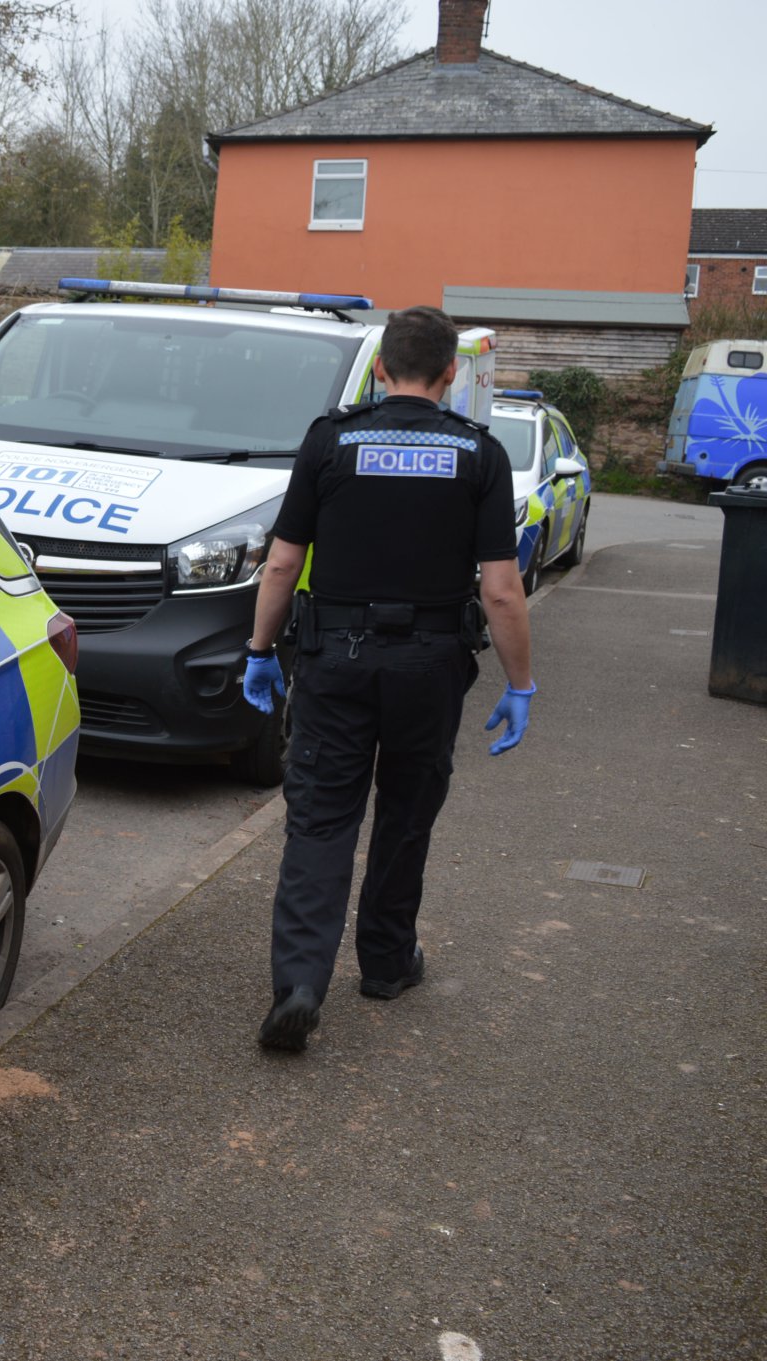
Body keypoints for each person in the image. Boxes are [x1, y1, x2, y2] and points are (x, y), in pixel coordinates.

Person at [240, 305, 536, 1053]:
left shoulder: (330, 440)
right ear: (449, 374)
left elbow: (281, 561)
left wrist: (259, 649)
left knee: (321, 819)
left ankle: (301, 984)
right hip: (430, 668)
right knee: (406, 813)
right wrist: (520, 682)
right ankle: (385, 963)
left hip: (334, 660)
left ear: (379, 368)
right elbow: (501, 588)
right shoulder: (480, 455)